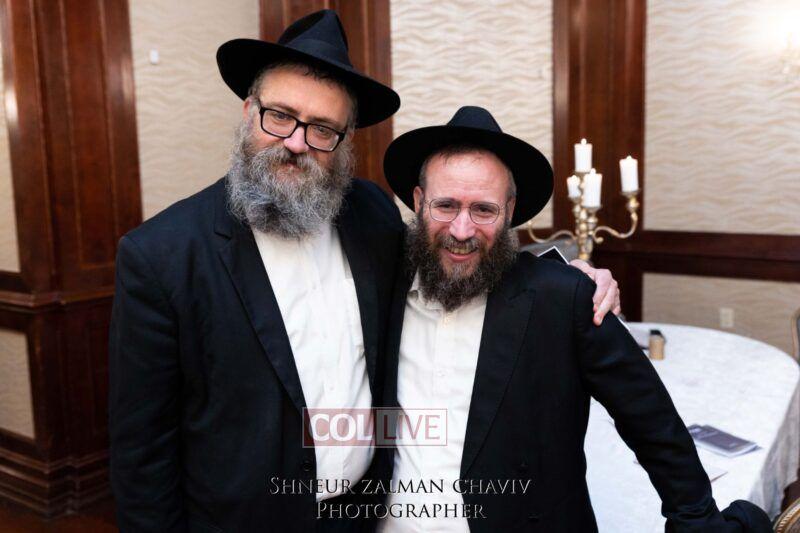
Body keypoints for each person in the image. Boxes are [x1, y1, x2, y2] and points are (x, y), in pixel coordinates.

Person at [108, 10, 620, 533]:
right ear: (248, 110)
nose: (297, 142)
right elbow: (142, 457)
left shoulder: (369, 213)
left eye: (322, 128)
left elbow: (452, 259)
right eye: (280, 116)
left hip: (365, 515)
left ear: (344, 138)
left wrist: (565, 276)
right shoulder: (162, 256)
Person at [375, 106, 772, 532]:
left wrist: (695, 518)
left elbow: (651, 421)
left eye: (483, 210)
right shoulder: (379, 282)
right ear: (418, 201)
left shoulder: (564, 297)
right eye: (445, 205)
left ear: (510, 210)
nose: (461, 229)